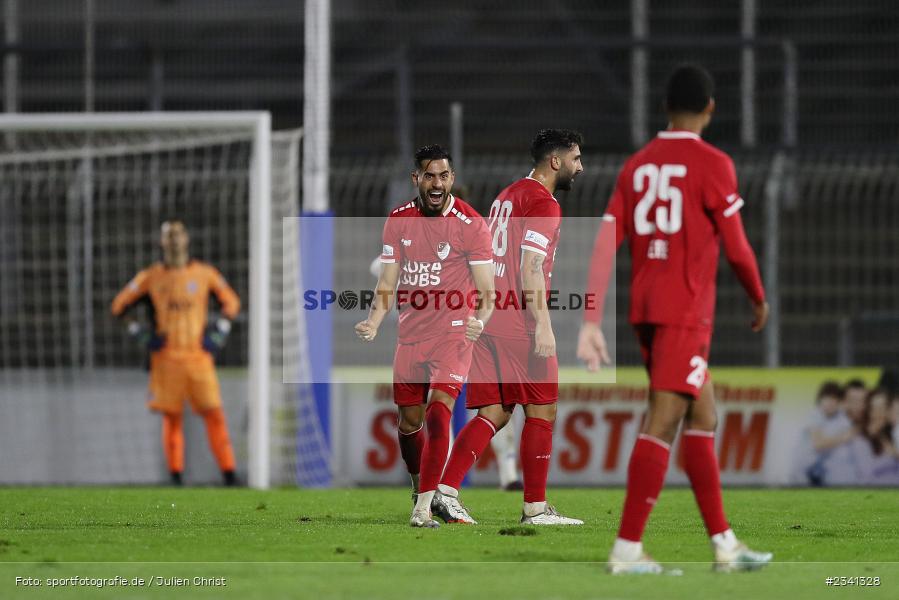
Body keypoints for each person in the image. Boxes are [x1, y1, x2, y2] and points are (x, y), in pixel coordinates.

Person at [577, 64, 772, 573]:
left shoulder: (636, 166)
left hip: (645, 310)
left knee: (703, 415)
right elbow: (737, 247)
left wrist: (593, 319)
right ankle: (626, 550)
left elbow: (604, 241)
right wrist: (757, 296)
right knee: (663, 419)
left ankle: (725, 546)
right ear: (711, 108)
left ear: (665, 108)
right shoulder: (713, 164)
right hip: (683, 313)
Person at [431, 129, 585, 526]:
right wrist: (543, 325)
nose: (579, 167)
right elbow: (530, 267)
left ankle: (444, 493)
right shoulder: (543, 203)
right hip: (518, 319)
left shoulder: (508, 194)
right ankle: (535, 508)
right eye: (575, 159)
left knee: (494, 412)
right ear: (556, 161)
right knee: (543, 409)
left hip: (487, 315)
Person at [355, 145, 495, 528]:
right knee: (408, 423)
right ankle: (421, 490)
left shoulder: (471, 224)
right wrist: (374, 320)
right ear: (416, 178)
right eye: (429, 176)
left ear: (451, 179)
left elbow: (488, 292)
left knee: (439, 412)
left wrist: (479, 321)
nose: (437, 183)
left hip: (453, 335)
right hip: (410, 337)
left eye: (444, 176)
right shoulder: (399, 219)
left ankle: (422, 510)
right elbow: (387, 281)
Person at [111, 220, 240, 486]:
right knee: (172, 418)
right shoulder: (150, 277)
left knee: (214, 413)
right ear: (162, 242)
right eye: (168, 235)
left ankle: (229, 475)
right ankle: (175, 478)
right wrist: (141, 334)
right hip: (167, 358)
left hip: (198, 358)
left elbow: (232, 302)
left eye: (178, 234)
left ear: (187, 239)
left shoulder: (205, 274)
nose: (174, 240)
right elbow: (119, 306)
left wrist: (219, 333)